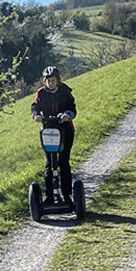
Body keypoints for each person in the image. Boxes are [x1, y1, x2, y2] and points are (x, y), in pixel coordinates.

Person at [30, 65, 77, 201]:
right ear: (44, 81)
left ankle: (67, 194)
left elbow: (72, 108)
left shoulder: (65, 92)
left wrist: (68, 115)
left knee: (63, 161)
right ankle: (50, 195)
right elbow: (34, 106)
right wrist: (36, 115)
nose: (51, 83)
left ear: (58, 80)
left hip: (65, 131)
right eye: (48, 81)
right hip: (48, 131)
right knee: (50, 163)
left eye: (53, 80)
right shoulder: (41, 93)